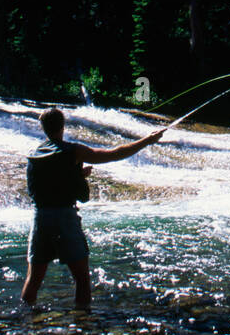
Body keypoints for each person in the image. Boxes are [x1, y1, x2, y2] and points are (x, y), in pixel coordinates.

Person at [22, 107, 164, 310]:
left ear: (43, 128)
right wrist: (146, 141)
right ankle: (83, 324)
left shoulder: (33, 154)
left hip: (40, 219)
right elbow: (114, 154)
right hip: (65, 218)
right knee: (81, 279)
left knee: (34, 279)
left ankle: (25, 323)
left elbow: (50, 183)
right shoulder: (73, 151)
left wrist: (77, 175)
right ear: (62, 127)